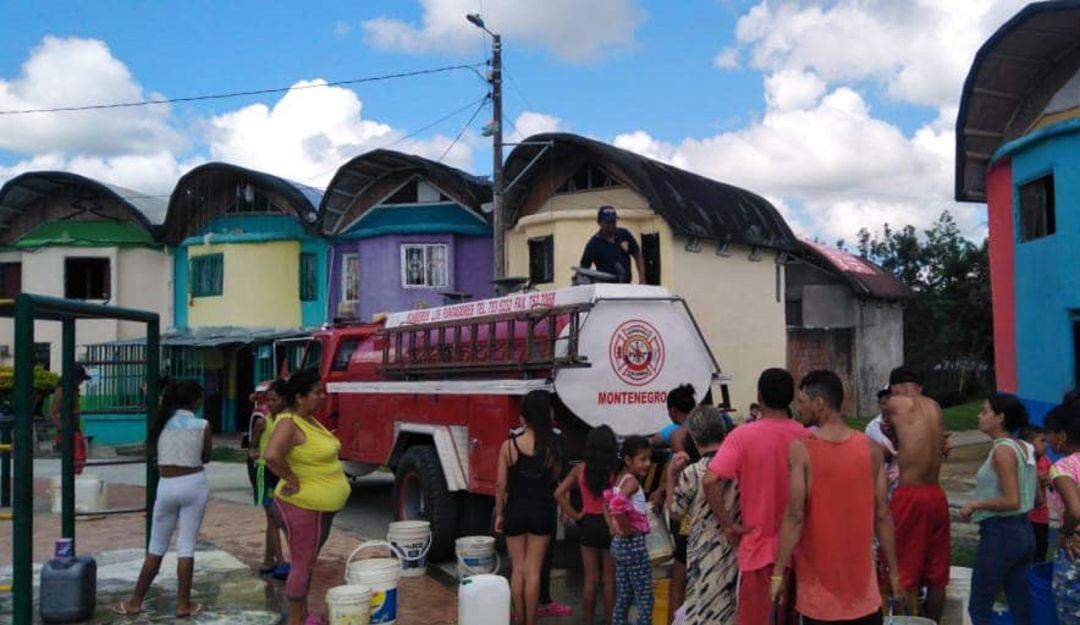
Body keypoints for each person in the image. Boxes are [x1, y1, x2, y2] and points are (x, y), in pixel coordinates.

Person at [770, 371, 902, 624]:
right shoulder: (871, 449)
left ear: (819, 403)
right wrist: (894, 574)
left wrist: (778, 574)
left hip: (820, 600)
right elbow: (882, 515)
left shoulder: (802, 449)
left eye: (802, 400)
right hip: (864, 598)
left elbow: (795, 516)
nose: (798, 407)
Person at [704, 368, 808, 625]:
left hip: (757, 548)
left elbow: (710, 480)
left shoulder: (742, 435)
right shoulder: (806, 437)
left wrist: (728, 524)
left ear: (759, 396)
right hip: (800, 549)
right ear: (791, 397)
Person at [113, 380, 211, 617]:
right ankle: (183, 604)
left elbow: (152, 451)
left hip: (166, 485)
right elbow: (205, 457)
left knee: (156, 547)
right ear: (197, 401)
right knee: (186, 545)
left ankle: (135, 601)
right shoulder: (203, 424)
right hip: (194, 484)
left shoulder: (160, 423)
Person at [263, 370, 350, 625]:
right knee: (301, 564)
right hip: (302, 505)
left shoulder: (310, 420)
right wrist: (290, 478)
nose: (323, 397)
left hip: (319, 507)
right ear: (300, 397)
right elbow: (271, 455)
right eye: (317, 393)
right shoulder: (289, 422)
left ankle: (302, 616)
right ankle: (295, 620)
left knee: (307, 562)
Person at [959, 394, 1036, 624]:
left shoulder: (1003, 451)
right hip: (1024, 532)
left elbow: (1012, 500)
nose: (979, 416)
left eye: (985, 411)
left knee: (979, 608)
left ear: (1000, 418)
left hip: (1001, 532)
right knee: (1021, 605)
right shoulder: (1024, 447)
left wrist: (976, 503)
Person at [883, 365, 950, 621]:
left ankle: (901, 620)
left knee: (900, 573)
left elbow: (884, 424)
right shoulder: (934, 406)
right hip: (936, 494)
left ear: (895, 387)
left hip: (911, 495)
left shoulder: (896, 403)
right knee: (937, 577)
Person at [667, 406, 739, 625]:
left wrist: (671, 474)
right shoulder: (738, 466)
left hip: (704, 550)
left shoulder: (694, 472)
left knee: (705, 611)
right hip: (736, 545)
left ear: (695, 438)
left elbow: (676, 512)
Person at [496, 390, 562, 625]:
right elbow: (555, 478)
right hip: (542, 511)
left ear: (523, 417)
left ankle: (520, 619)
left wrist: (500, 513)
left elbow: (501, 485)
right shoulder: (552, 446)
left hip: (515, 510)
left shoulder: (508, 446)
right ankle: (531, 622)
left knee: (519, 570)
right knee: (534, 571)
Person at [555, 425, 618, 625]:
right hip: (609, 524)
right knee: (609, 580)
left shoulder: (580, 469)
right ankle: (610, 621)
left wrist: (575, 515)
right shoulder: (615, 470)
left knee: (590, 579)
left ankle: (587, 621)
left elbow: (558, 494)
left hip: (588, 522)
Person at [648, 383, 698, 621]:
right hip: (710, 511)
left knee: (680, 576)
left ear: (673, 410)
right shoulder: (712, 424)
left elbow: (681, 471)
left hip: (687, 511)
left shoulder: (679, 434)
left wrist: (662, 490)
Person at [605, 435, 653, 625]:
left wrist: (614, 528)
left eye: (649, 459)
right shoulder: (632, 481)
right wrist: (625, 528)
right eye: (642, 459)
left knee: (624, 596)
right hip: (633, 543)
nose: (647, 464)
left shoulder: (620, 479)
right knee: (645, 598)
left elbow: (607, 503)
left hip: (620, 545)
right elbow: (617, 505)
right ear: (627, 460)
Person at [250, 379, 289, 576]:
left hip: (280, 472)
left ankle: (268, 560)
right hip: (265, 472)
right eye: (269, 400)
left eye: (275, 400)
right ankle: (280, 560)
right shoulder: (263, 420)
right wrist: (254, 451)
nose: (271, 404)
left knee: (273, 519)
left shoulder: (287, 420)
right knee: (272, 516)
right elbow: (253, 445)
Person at [1049, 398, 1080, 622]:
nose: (1048, 439)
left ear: (1063, 436)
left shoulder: (1062, 468)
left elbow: (1076, 511)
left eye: (1050, 433)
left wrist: (1066, 533)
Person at [579, 206, 646, 284]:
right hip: (606, 290)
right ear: (599, 222)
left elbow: (637, 254)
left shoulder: (624, 234)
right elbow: (584, 269)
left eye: (613, 221)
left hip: (626, 286)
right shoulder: (593, 244)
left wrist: (642, 279)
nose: (611, 225)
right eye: (608, 222)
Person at [48, 363, 91, 475]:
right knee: (76, 460)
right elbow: (52, 413)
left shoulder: (72, 390)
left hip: (74, 429)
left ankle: (74, 480)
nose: (81, 383)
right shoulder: (62, 391)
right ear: (75, 379)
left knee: (80, 459)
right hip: (69, 430)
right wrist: (63, 430)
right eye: (80, 379)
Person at [1024, 426, 1052, 563]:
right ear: (1030, 444)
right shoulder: (1025, 463)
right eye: (1042, 441)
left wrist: (1050, 481)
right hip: (1026, 517)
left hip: (1041, 518)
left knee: (1039, 554)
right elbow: (1038, 500)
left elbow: (1053, 488)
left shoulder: (1045, 461)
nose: (1046, 444)